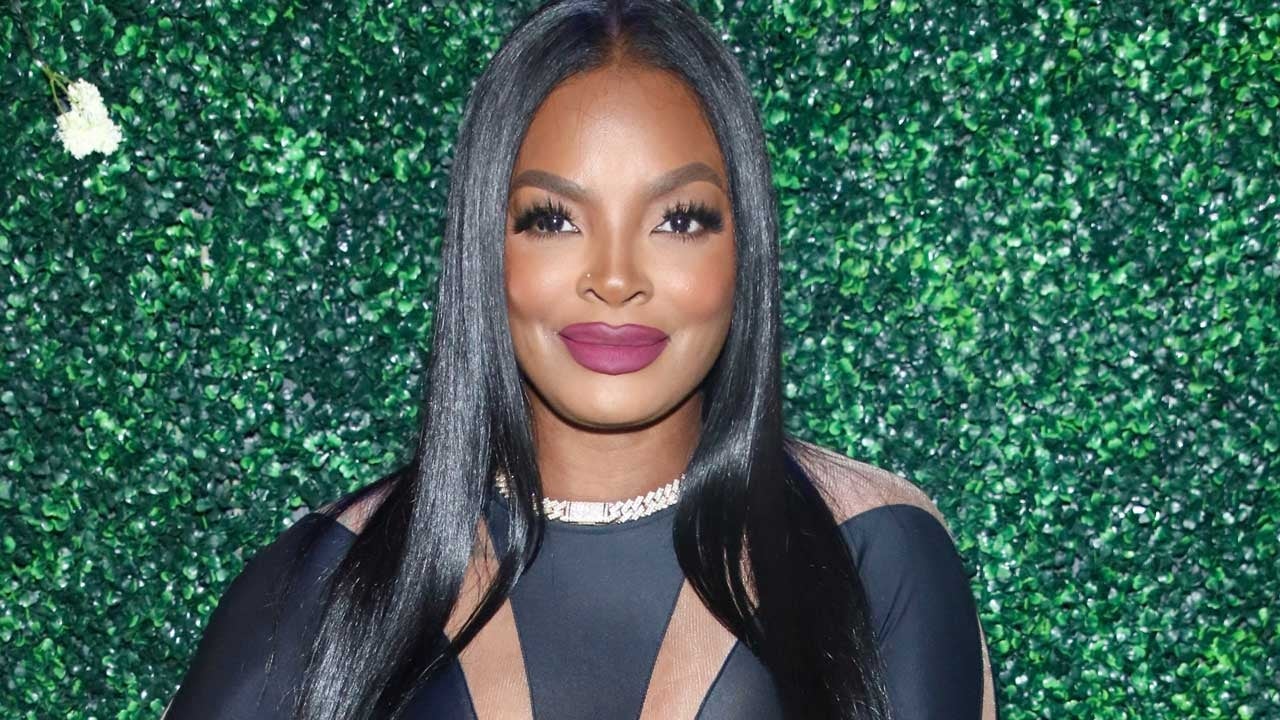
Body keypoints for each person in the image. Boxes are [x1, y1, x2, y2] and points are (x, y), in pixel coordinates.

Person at [164, 0, 997, 718]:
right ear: (486, 249)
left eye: (679, 219)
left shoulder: (870, 552)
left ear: (745, 247)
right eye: (553, 219)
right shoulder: (331, 578)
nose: (615, 278)